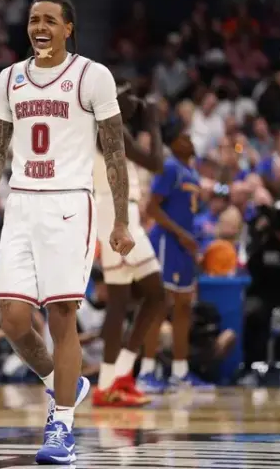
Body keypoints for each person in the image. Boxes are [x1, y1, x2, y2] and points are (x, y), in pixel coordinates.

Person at [0, 0, 135, 465]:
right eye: (34, 20)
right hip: (20, 205)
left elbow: (115, 152)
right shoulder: (10, 78)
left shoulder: (92, 75)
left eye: (50, 20)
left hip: (69, 205)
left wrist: (119, 219)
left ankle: (62, 426)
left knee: (62, 315)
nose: (40, 27)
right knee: (14, 322)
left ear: (68, 28)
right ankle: (65, 384)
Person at [92, 94, 169, 405]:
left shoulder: (106, 127)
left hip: (115, 212)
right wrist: (152, 121)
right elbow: (157, 163)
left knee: (119, 301)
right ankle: (120, 375)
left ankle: (108, 383)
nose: (136, 102)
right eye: (129, 96)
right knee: (157, 295)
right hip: (118, 215)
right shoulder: (107, 126)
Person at [144, 123, 214, 390]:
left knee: (184, 306)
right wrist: (181, 234)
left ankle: (180, 372)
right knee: (160, 306)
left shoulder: (192, 173)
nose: (189, 140)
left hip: (185, 246)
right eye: (183, 137)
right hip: (167, 243)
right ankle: (147, 372)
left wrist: (192, 240)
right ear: (172, 144)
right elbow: (152, 208)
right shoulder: (170, 167)